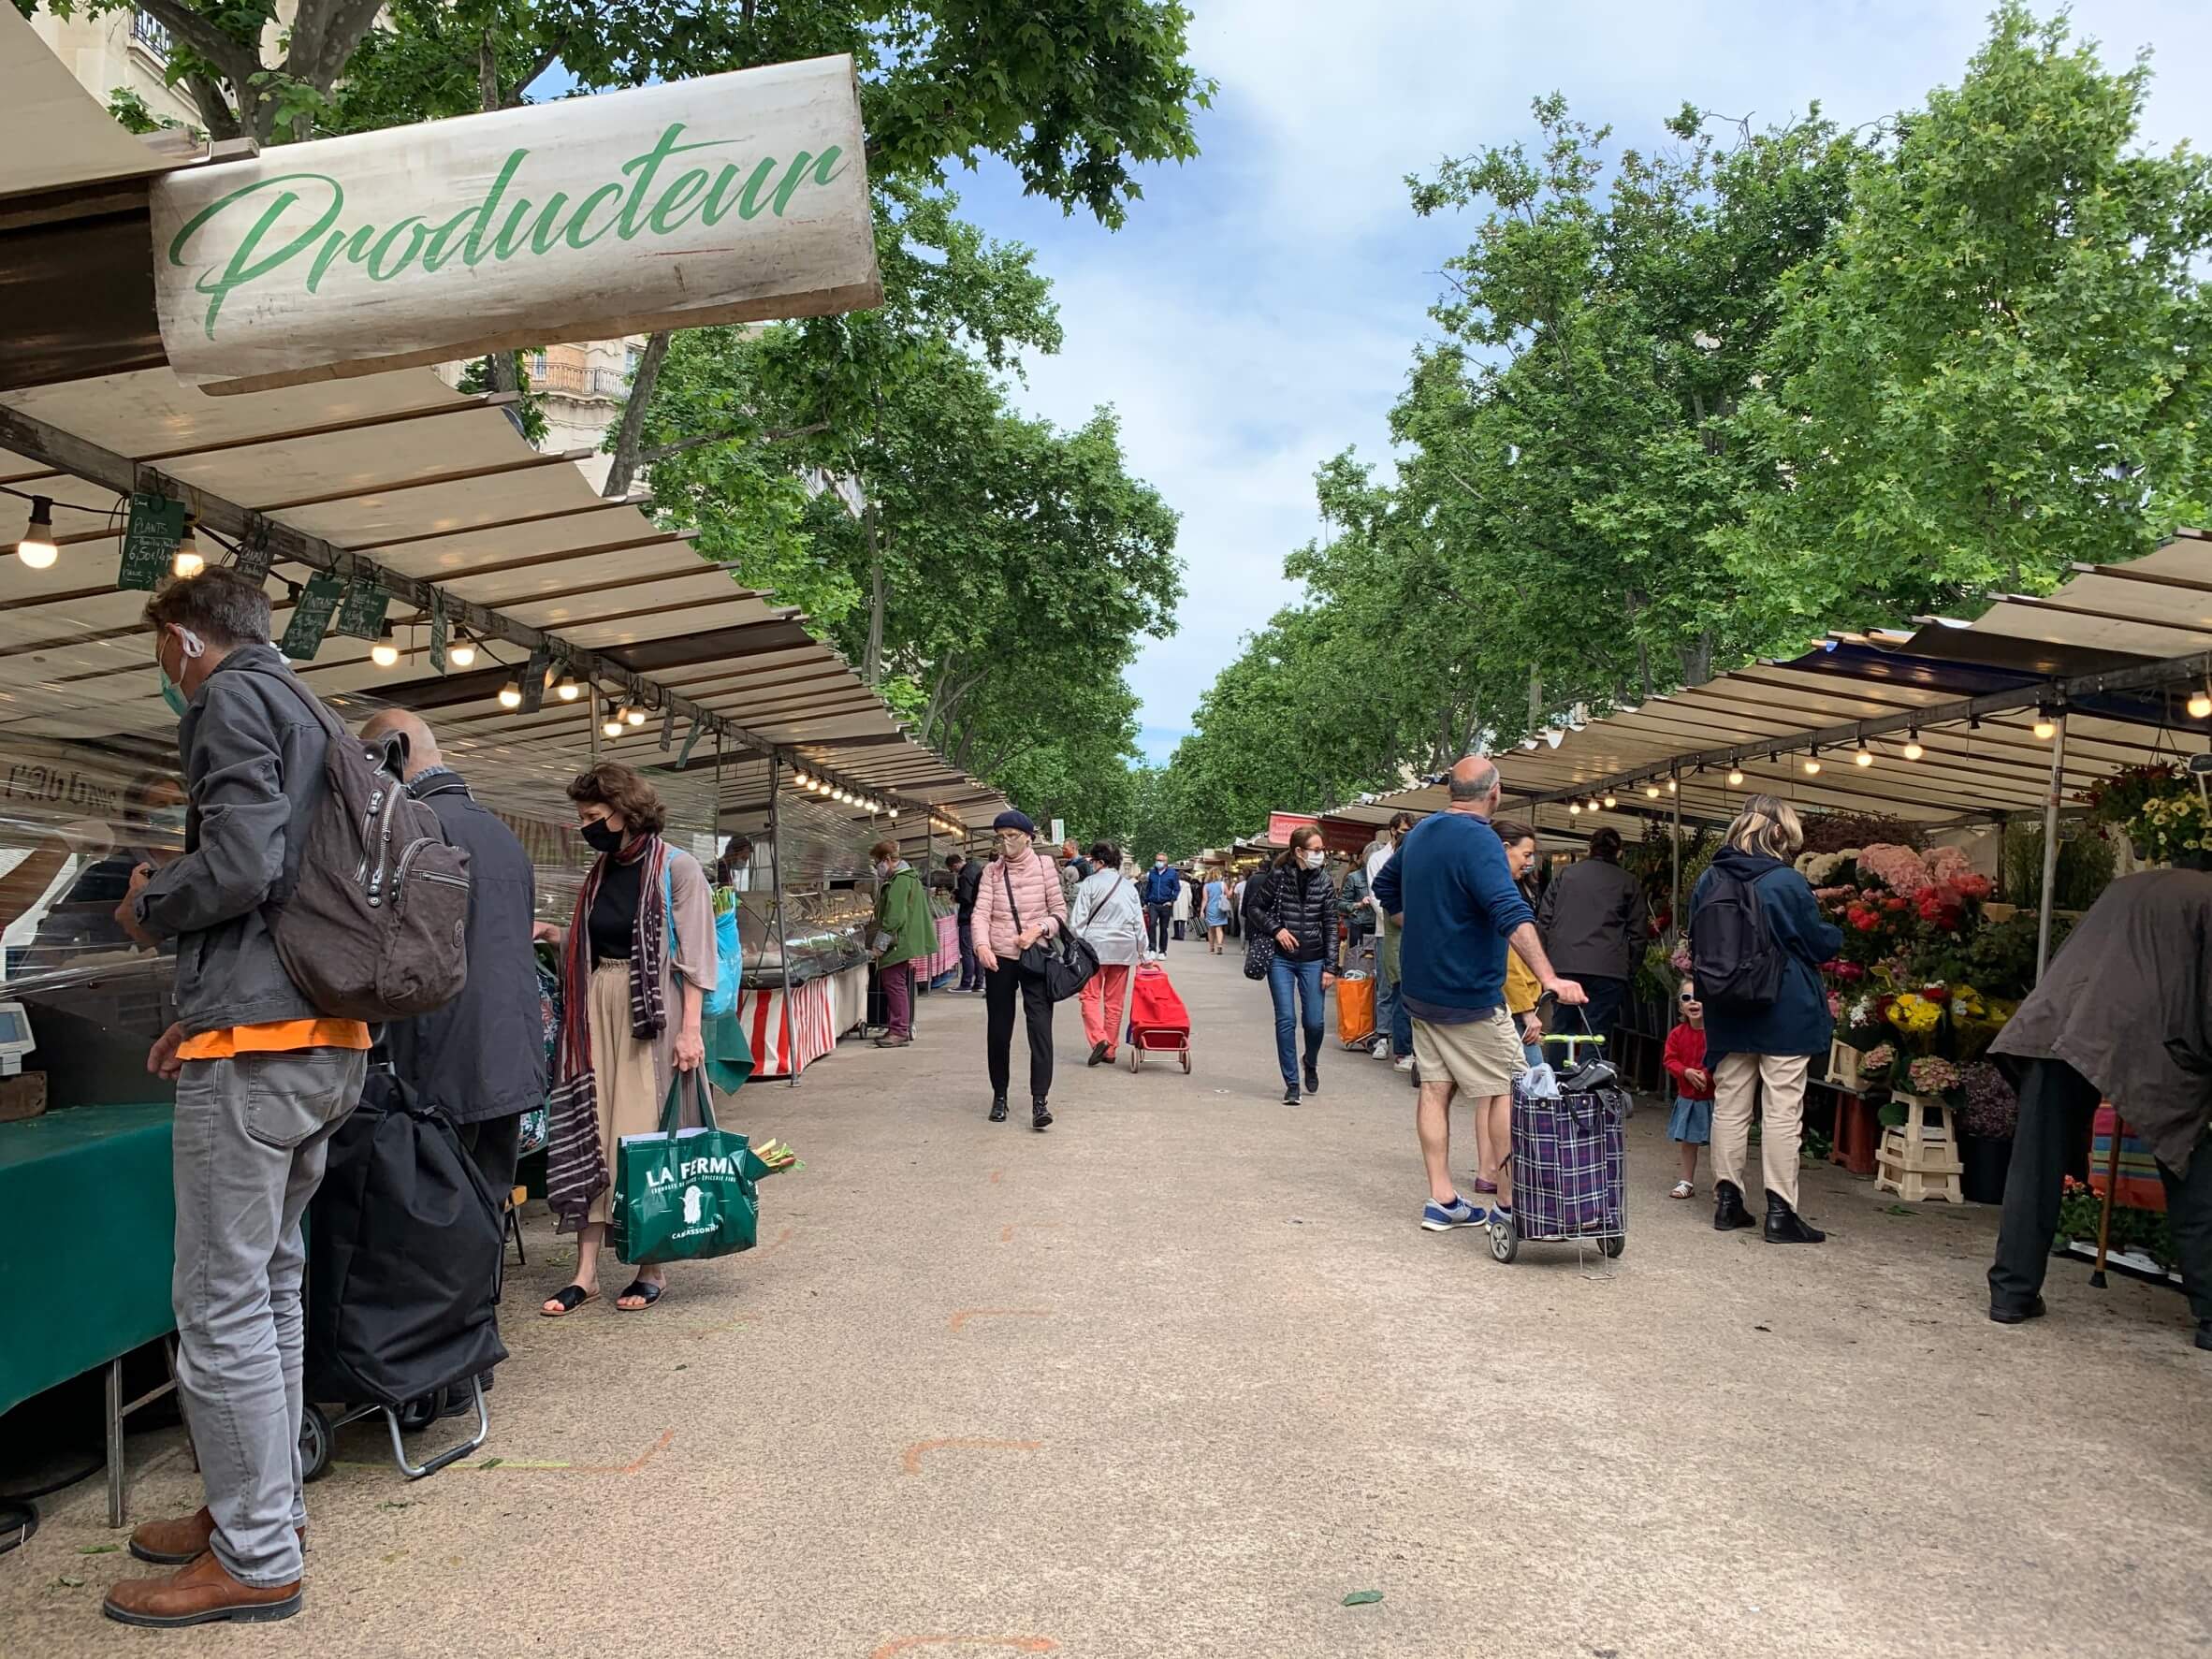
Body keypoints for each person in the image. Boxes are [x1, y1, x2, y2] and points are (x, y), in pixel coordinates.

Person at [104, 570, 371, 1629]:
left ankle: (257, 1554)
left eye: (160, 658)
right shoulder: (315, 705)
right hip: (323, 1035)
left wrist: (150, 903)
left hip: (259, 1053)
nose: (166, 679)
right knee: (268, 1288)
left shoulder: (228, 700)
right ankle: (260, 1512)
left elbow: (245, 862)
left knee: (219, 1303)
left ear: (182, 641)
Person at [357, 710, 544, 1390]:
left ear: (391, 757)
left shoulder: (412, 828)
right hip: (507, 1053)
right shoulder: (501, 833)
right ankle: (477, 1347)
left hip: (440, 1055)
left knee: (434, 1216)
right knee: (486, 1204)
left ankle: (446, 1364)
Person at [1986, 856, 2212, 1346]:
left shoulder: (2128, 885)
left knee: (2035, 1163)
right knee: (2191, 1164)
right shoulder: (2205, 897)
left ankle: (2011, 1292)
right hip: (2144, 1037)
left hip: (2055, 1023)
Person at [1374, 757, 1585, 1233]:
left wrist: (1425, 923)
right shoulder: (1483, 840)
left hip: (1422, 989)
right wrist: (1549, 977)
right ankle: (1509, 1207)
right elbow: (1508, 909)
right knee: (1514, 1087)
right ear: (1496, 793)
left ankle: (1442, 1198)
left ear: (1452, 790)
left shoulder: (1422, 832)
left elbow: (1387, 889)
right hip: (1469, 992)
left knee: (1435, 1089)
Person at [535, 763, 717, 1316]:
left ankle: (650, 1265)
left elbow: (695, 955)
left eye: (593, 816)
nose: (586, 826)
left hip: (650, 1018)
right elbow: (598, 940)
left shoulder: (677, 869)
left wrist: (691, 1031)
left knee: (641, 1138)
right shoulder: (600, 871)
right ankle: (586, 1273)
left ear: (625, 811)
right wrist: (551, 933)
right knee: (593, 1131)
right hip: (595, 1011)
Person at [1688, 794, 1840, 1244]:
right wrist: (1834, 930)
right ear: (1778, 834)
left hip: (1728, 1005)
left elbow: (1697, 939)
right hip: (1784, 1006)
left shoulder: (1709, 879)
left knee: (1731, 1108)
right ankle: (1780, 1212)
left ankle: (1728, 1202)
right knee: (1781, 1112)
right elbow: (1817, 944)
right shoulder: (1786, 882)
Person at [970, 810, 1067, 1128]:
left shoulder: (1045, 866)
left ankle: (1040, 1100)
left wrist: (1038, 928)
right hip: (999, 958)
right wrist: (981, 946)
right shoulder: (992, 872)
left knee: (1039, 1028)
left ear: (1028, 837)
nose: (1006, 842)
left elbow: (1059, 912)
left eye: (1012, 835)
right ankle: (1000, 1094)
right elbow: (981, 913)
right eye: (1001, 836)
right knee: (999, 1030)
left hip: (1035, 956)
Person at [1243, 825, 1339, 1105]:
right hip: (1281, 960)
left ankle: (1310, 1060)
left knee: (1315, 1022)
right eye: (1317, 850)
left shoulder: (1324, 882)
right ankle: (1292, 1083)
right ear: (1299, 851)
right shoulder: (1278, 877)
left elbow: (1331, 924)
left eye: (1322, 850)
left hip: (1314, 958)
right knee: (1286, 1019)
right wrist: (1277, 930)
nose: (1321, 855)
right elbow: (1254, 908)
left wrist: (1331, 966)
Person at [1537, 825, 1648, 1059]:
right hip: (1608, 968)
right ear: (1619, 852)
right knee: (1596, 1031)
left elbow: (1544, 920)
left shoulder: (1565, 875)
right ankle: (1589, 1089)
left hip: (1564, 965)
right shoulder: (1628, 882)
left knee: (1562, 1029)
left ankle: (1557, 1085)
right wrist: (1629, 970)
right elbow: (1638, 933)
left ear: (1590, 848)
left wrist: (1547, 963)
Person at [1481, 819, 1548, 1202]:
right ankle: (1517, 1179)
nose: (1530, 861)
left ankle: (1490, 1171)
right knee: (1530, 1088)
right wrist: (1526, 1010)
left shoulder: (1498, 886)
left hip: (1503, 1002)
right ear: (1504, 847)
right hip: (1512, 1006)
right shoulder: (1503, 892)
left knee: (1492, 1090)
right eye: (1525, 853)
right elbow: (1509, 960)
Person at [1071, 841, 1143, 1067]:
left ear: (1100, 862)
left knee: (1089, 996)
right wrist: (1143, 951)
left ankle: (1098, 1038)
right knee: (1115, 1001)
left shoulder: (1090, 884)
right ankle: (1110, 1049)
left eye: (1092, 861)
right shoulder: (1129, 886)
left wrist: (1078, 941)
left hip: (1095, 948)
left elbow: (1078, 920)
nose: (1091, 865)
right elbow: (1138, 922)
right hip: (1123, 948)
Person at [867, 837, 934, 1048]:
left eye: (877, 863)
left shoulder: (900, 881)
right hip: (905, 939)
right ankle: (897, 1025)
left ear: (887, 859)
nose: (877, 868)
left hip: (899, 940)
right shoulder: (908, 878)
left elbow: (894, 917)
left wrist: (880, 944)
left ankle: (898, 1030)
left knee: (893, 983)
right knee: (897, 983)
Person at [1369, 812, 1417, 1072]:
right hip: (1397, 947)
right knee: (1397, 997)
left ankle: (1409, 1049)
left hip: (1414, 949)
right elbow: (1382, 899)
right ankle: (1400, 1049)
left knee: (1408, 998)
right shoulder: (1390, 875)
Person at [1662, 982, 1715, 1200]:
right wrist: (1685, 1072)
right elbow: (1669, 1059)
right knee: (1688, 1142)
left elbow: (1721, 1059)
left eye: (1698, 996)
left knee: (1720, 1144)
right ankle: (1686, 1180)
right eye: (1686, 997)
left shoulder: (1715, 1034)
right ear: (1680, 1006)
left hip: (1713, 1096)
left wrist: (1706, 1073)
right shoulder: (1677, 1034)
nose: (1692, 1001)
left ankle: (1721, 1183)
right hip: (1688, 1097)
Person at [952, 851, 982, 993]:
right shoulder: (975, 868)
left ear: (956, 864)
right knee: (977, 951)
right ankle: (979, 982)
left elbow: (966, 897)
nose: (953, 871)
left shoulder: (964, 876)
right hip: (978, 916)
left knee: (967, 951)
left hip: (967, 917)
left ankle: (966, 983)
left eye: (952, 868)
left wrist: (956, 896)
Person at [1142, 851, 1179, 955]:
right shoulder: (1152, 873)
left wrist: (1171, 901)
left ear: (1166, 862)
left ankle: (1163, 951)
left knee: (1164, 928)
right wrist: (1146, 902)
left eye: (1161, 860)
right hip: (1153, 903)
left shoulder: (1172, 873)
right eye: (1157, 860)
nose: (1159, 862)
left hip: (1165, 904)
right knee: (1152, 925)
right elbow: (1148, 888)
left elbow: (1176, 889)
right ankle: (1152, 949)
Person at [1201, 868, 1229, 953]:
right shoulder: (1222, 884)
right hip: (1220, 908)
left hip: (1210, 908)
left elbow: (1205, 899)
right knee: (1219, 928)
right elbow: (1229, 895)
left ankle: (1211, 948)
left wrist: (1202, 910)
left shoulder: (1206, 886)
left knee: (1210, 929)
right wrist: (1232, 888)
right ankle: (1219, 945)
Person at [1059, 840, 1084, 912]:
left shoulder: (1084, 864)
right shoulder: (1068, 863)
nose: (1063, 851)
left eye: (1065, 849)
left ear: (1073, 848)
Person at [1171, 870, 1193, 940]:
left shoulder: (1174, 883)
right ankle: (1181, 935)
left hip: (1176, 902)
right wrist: (1190, 903)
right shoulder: (1187, 884)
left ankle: (1176, 935)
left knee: (1176, 919)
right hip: (1184, 902)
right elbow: (1189, 895)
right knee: (1183, 920)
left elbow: (1172, 893)